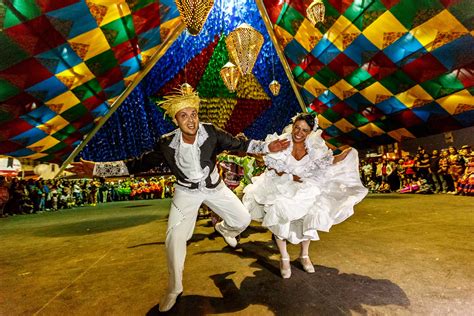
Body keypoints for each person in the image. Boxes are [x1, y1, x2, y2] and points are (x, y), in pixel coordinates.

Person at [69, 84, 289, 312]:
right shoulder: (166, 143)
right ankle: (175, 288)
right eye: (184, 116)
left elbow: (240, 143)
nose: (191, 120)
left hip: (215, 188)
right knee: (174, 239)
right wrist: (97, 169)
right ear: (176, 120)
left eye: (193, 114)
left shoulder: (211, 132)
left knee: (242, 220)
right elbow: (136, 164)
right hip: (186, 193)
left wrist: (266, 146)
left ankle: (225, 229)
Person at [242, 113, 368, 279]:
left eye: (304, 130)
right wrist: (290, 176)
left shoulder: (314, 146)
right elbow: (272, 165)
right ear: (293, 126)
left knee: (310, 216)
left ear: (310, 132)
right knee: (280, 212)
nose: (299, 133)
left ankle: (304, 255)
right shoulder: (282, 141)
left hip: (305, 187)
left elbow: (326, 162)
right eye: (297, 128)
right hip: (281, 184)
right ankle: (284, 257)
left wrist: (345, 155)